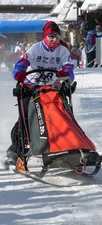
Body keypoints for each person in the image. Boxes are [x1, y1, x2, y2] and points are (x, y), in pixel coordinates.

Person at [5, 21, 75, 166]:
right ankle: (16, 150)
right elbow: (20, 65)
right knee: (25, 116)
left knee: (64, 112)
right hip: (32, 87)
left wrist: (65, 74)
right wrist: (20, 73)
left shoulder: (63, 51)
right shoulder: (35, 49)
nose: (54, 39)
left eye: (56, 36)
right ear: (45, 36)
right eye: (51, 36)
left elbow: (69, 70)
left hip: (52, 88)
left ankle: (69, 144)